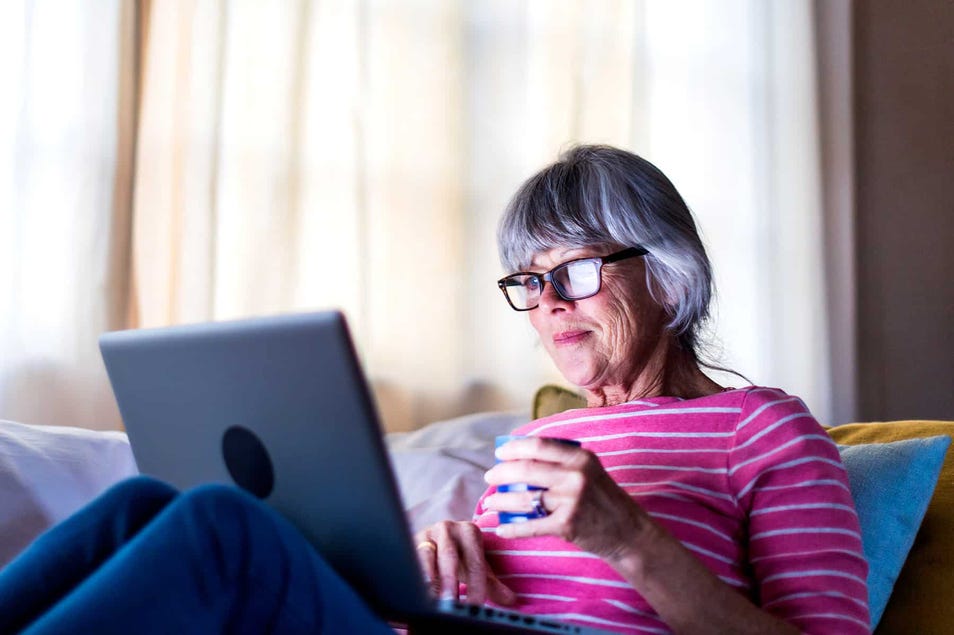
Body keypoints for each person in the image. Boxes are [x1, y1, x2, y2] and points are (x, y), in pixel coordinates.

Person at [0, 145, 870, 634]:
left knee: (219, 525)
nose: (548, 305)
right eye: (528, 282)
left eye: (571, 270)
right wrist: (458, 587)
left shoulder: (762, 428)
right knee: (143, 504)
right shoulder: (537, 448)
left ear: (669, 275)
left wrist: (631, 538)